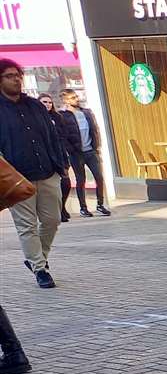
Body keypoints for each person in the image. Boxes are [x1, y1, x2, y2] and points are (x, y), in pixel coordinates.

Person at [0, 59, 69, 289]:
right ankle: (40, 269)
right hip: (18, 178)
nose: (16, 79)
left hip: (47, 171)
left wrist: (61, 164)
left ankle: (36, 258)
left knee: (52, 219)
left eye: (18, 74)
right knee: (26, 226)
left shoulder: (35, 105)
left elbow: (52, 135)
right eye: (10, 75)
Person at [60, 89, 109, 217]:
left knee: (99, 177)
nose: (76, 99)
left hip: (90, 151)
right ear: (66, 101)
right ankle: (83, 207)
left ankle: (100, 204)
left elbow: (95, 130)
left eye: (76, 96)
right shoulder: (64, 116)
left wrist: (96, 146)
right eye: (72, 98)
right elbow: (63, 136)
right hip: (76, 153)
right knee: (81, 179)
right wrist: (71, 150)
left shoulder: (86, 113)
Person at [38, 94, 75, 223]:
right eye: (44, 102)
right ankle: (57, 210)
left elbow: (64, 134)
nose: (47, 104)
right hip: (46, 155)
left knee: (66, 183)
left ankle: (62, 207)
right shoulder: (36, 118)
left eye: (49, 102)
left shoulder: (57, 117)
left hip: (60, 153)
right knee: (52, 186)